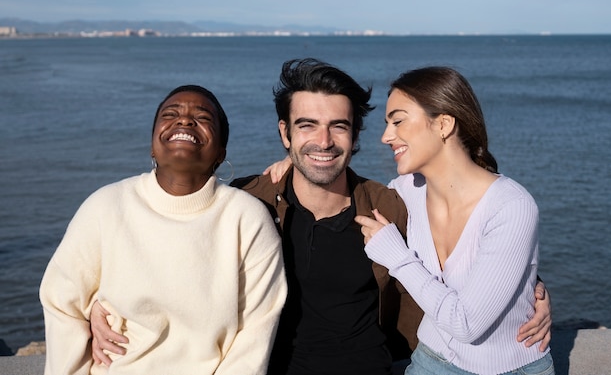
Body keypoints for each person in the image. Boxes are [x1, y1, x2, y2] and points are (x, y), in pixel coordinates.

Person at [89, 60, 552, 375]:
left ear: (354, 137)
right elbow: (163, 243)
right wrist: (101, 304)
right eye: (307, 125)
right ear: (284, 134)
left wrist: (531, 293)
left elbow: (484, 245)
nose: (324, 141)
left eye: (339, 126)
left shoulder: (388, 204)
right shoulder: (248, 203)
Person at [39, 85, 287, 375]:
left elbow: (254, 335)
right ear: (152, 146)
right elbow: (62, 304)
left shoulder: (247, 219)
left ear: (221, 152)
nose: (185, 120)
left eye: (203, 117)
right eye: (171, 114)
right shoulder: (106, 206)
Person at [355, 67, 554, 374]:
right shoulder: (404, 192)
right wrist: (293, 162)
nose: (385, 136)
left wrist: (397, 256)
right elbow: (337, 193)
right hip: (429, 362)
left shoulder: (511, 206)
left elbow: (466, 324)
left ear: (444, 124)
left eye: (398, 121)